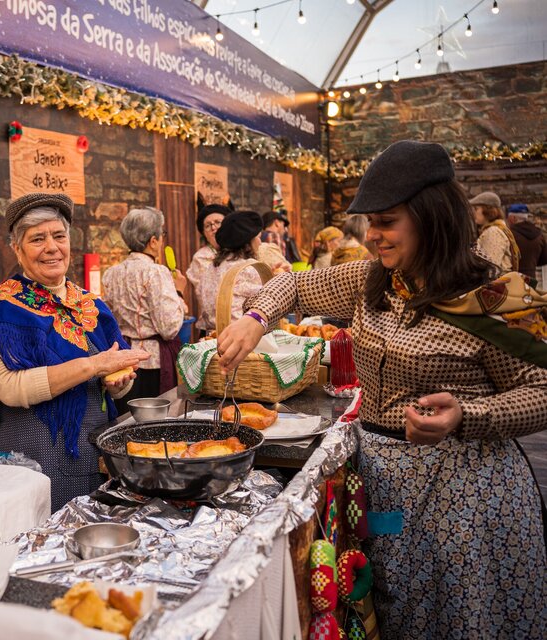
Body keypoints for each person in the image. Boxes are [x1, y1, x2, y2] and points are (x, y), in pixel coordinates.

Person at [215, 140, 547, 639]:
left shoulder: (491, 298)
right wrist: (256, 318)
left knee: (460, 615)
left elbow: (541, 388)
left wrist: (466, 414)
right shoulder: (373, 280)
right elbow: (296, 285)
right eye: (370, 222)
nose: (372, 236)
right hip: (387, 481)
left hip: (467, 496)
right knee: (396, 609)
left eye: (387, 222)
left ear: (432, 219)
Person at [0, 193, 149, 512]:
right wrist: (93, 366)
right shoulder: (6, 309)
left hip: (92, 456)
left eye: (59, 236)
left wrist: (117, 384)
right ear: (17, 249)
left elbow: (116, 376)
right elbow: (9, 388)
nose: (51, 247)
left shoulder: (91, 305)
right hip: (32, 461)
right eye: (37, 239)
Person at [101, 207, 187, 412]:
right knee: (152, 418)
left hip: (123, 359)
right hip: (152, 361)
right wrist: (179, 292)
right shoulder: (155, 272)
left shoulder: (112, 273)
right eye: (162, 235)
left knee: (126, 417)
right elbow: (169, 328)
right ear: (153, 241)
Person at [210, 210, 269, 325]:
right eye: (258, 237)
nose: (260, 242)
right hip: (240, 332)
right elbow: (268, 297)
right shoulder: (247, 268)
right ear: (248, 243)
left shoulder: (211, 267)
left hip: (211, 333)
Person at [186, 203, 230, 334]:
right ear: (204, 233)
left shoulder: (240, 251)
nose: (213, 228)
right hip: (213, 328)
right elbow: (207, 297)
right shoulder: (201, 257)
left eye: (218, 222)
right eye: (208, 226)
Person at [470, 190, 519, 272]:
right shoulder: (493, 229)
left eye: (476, 209)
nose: (473, 213)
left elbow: (490, 266)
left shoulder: (493, 232)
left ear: (487, 210)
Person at [507, 203, 547, 285]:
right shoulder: (539, 235)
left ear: (513, 218)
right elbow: (544, 258)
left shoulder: (509, 235)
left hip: (512, 280)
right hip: (531, 280)